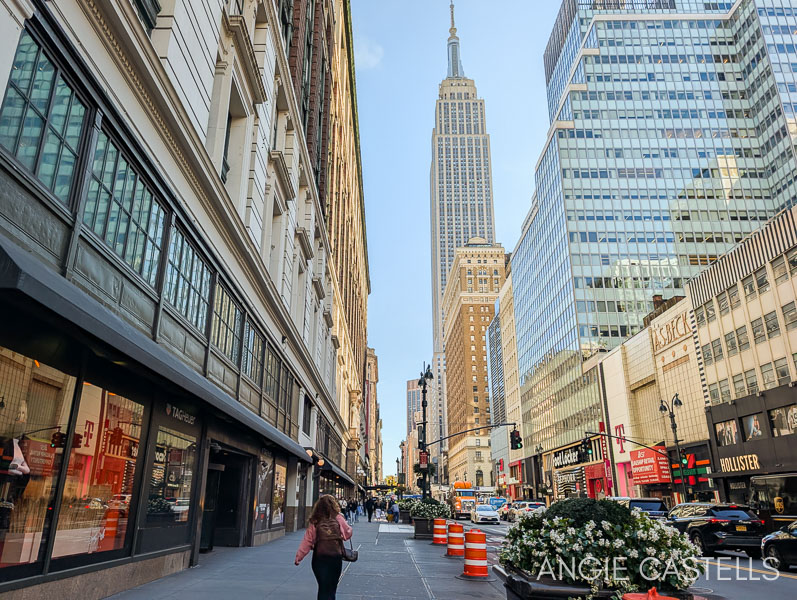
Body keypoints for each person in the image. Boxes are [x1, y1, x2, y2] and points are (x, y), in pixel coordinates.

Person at [295, 495, 353, 600]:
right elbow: (348, 534)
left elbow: (307, 541)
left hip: (319, 558)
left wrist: (299, 557)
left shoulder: (315, 521)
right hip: (335, 557)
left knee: (323, 587)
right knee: (332, 587)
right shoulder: (338, 518)